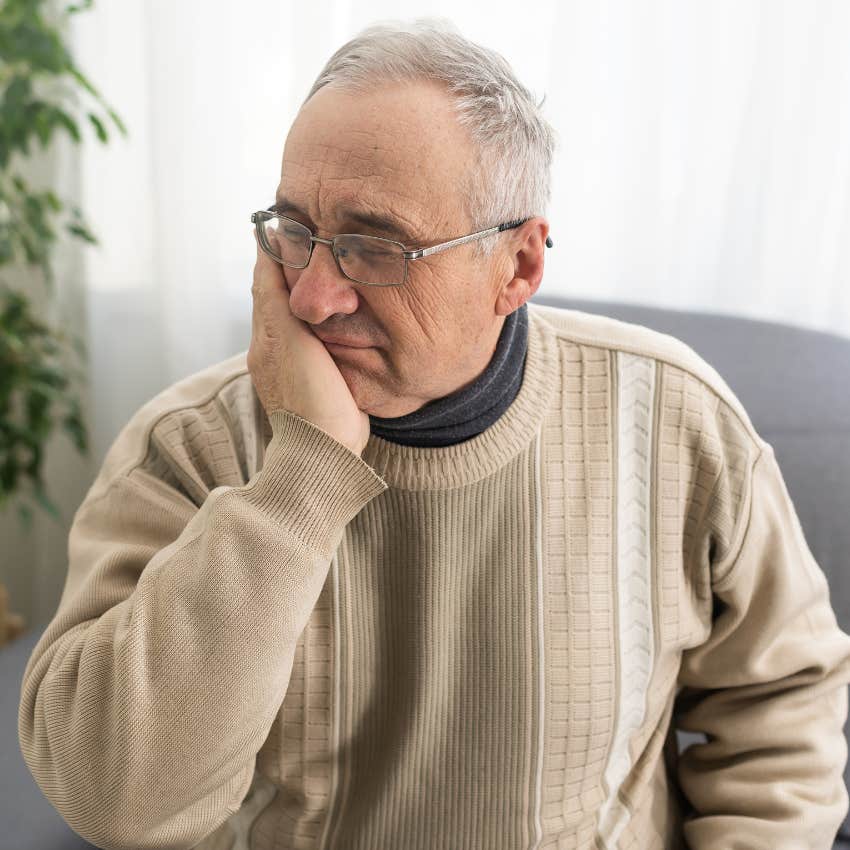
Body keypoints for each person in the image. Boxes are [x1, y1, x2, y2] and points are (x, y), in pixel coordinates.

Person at [17, 16, 850, 850]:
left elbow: (783, 700)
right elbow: (113, 801)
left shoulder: (678, 418)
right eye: (295, 232)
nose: (309, 298)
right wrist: (299, 480)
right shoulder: (186, 446)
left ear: (518, 266)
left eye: (373, 248)